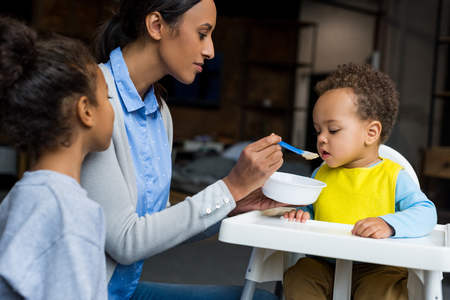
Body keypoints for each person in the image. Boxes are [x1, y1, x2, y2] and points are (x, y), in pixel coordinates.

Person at [80, 0, 285, 299]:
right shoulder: (93, 97)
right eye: (203, 33)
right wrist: (230, 187)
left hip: (121, 291)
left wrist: (232, 205)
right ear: (156, 26)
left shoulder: (159, 112)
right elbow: (127, 241)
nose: (210, 50)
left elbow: (155, 221)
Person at [281, 63, 437, 300]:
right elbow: (313, 209)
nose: (321, 139)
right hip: (325, 263)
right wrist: (303, 214)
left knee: (383, 291)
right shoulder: (320, 175)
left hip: (379, 265)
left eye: (333, 130)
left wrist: (389, 224)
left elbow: (426, 213)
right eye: (317, 131)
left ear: (371, 133)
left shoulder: (393, 176)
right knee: (297, 275)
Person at [0, 16, 114, 299]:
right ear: (85, 110)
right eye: (108, 98)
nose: (113, 111)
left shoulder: (22, 195)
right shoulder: (70, 214)